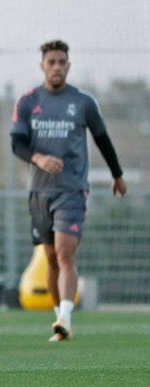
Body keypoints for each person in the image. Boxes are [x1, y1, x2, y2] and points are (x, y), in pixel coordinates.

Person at [11, 39, 127, 342]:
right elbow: (17, 144)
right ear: (43, 66)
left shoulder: (83, 102)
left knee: (65, 253)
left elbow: (103, 139)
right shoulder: (27, 101)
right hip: (39, 191)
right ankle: (59, 319)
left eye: (62, 62)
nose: (57, 67)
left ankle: (65, 316)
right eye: (51, 62)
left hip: (73, 189)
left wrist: (117, 175)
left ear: (68, 66)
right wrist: (38, 158)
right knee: (50, 257)